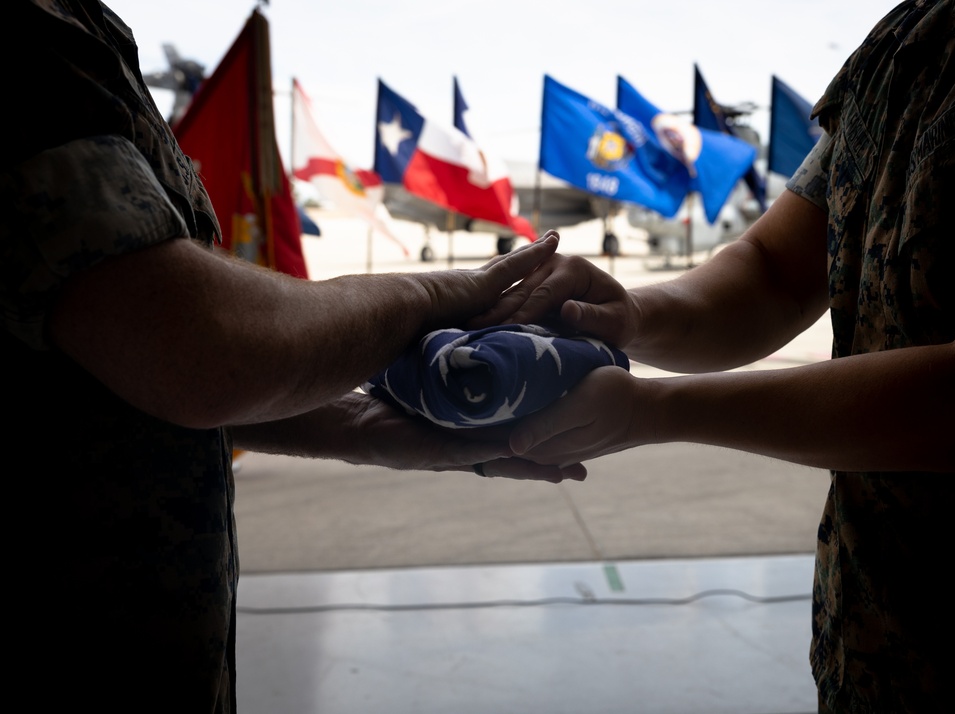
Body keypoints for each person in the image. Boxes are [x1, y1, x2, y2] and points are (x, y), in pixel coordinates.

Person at [2, 2, 583, 711]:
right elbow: (196, 349)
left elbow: (112, 356)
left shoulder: (80, 27)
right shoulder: (24, 35)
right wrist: (435, 293)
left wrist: (358, 427)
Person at [471, 0, 955, 710]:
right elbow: (772, 272)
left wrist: (654, 412)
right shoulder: (912, 39)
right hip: (875, 644)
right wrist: (627, 315)